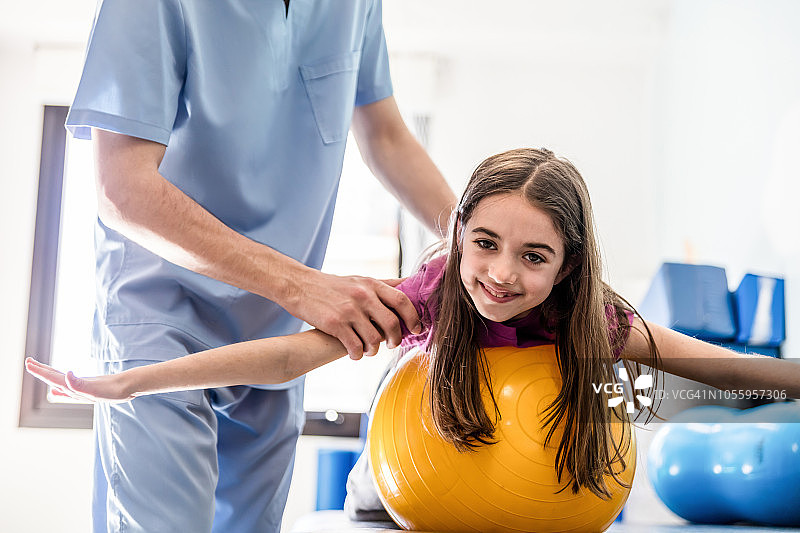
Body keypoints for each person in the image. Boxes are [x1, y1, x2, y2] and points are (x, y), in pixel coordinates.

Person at [28, 149, 800, 506]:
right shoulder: (427, 297)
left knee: (634, 395)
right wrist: (136, 380)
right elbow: (290, 357)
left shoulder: (589, 320)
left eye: (533, 256)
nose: (500, 274)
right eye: (485, 243)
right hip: (403, 481)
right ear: (459, 233)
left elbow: (718, 365)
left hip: (549, 493)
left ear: (567, 266)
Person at [61, 0, 456, 532]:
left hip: (278, 331)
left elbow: (384, 135)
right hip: (161, 311)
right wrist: (300, 286)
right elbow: (122, 189)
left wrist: (473, 242)